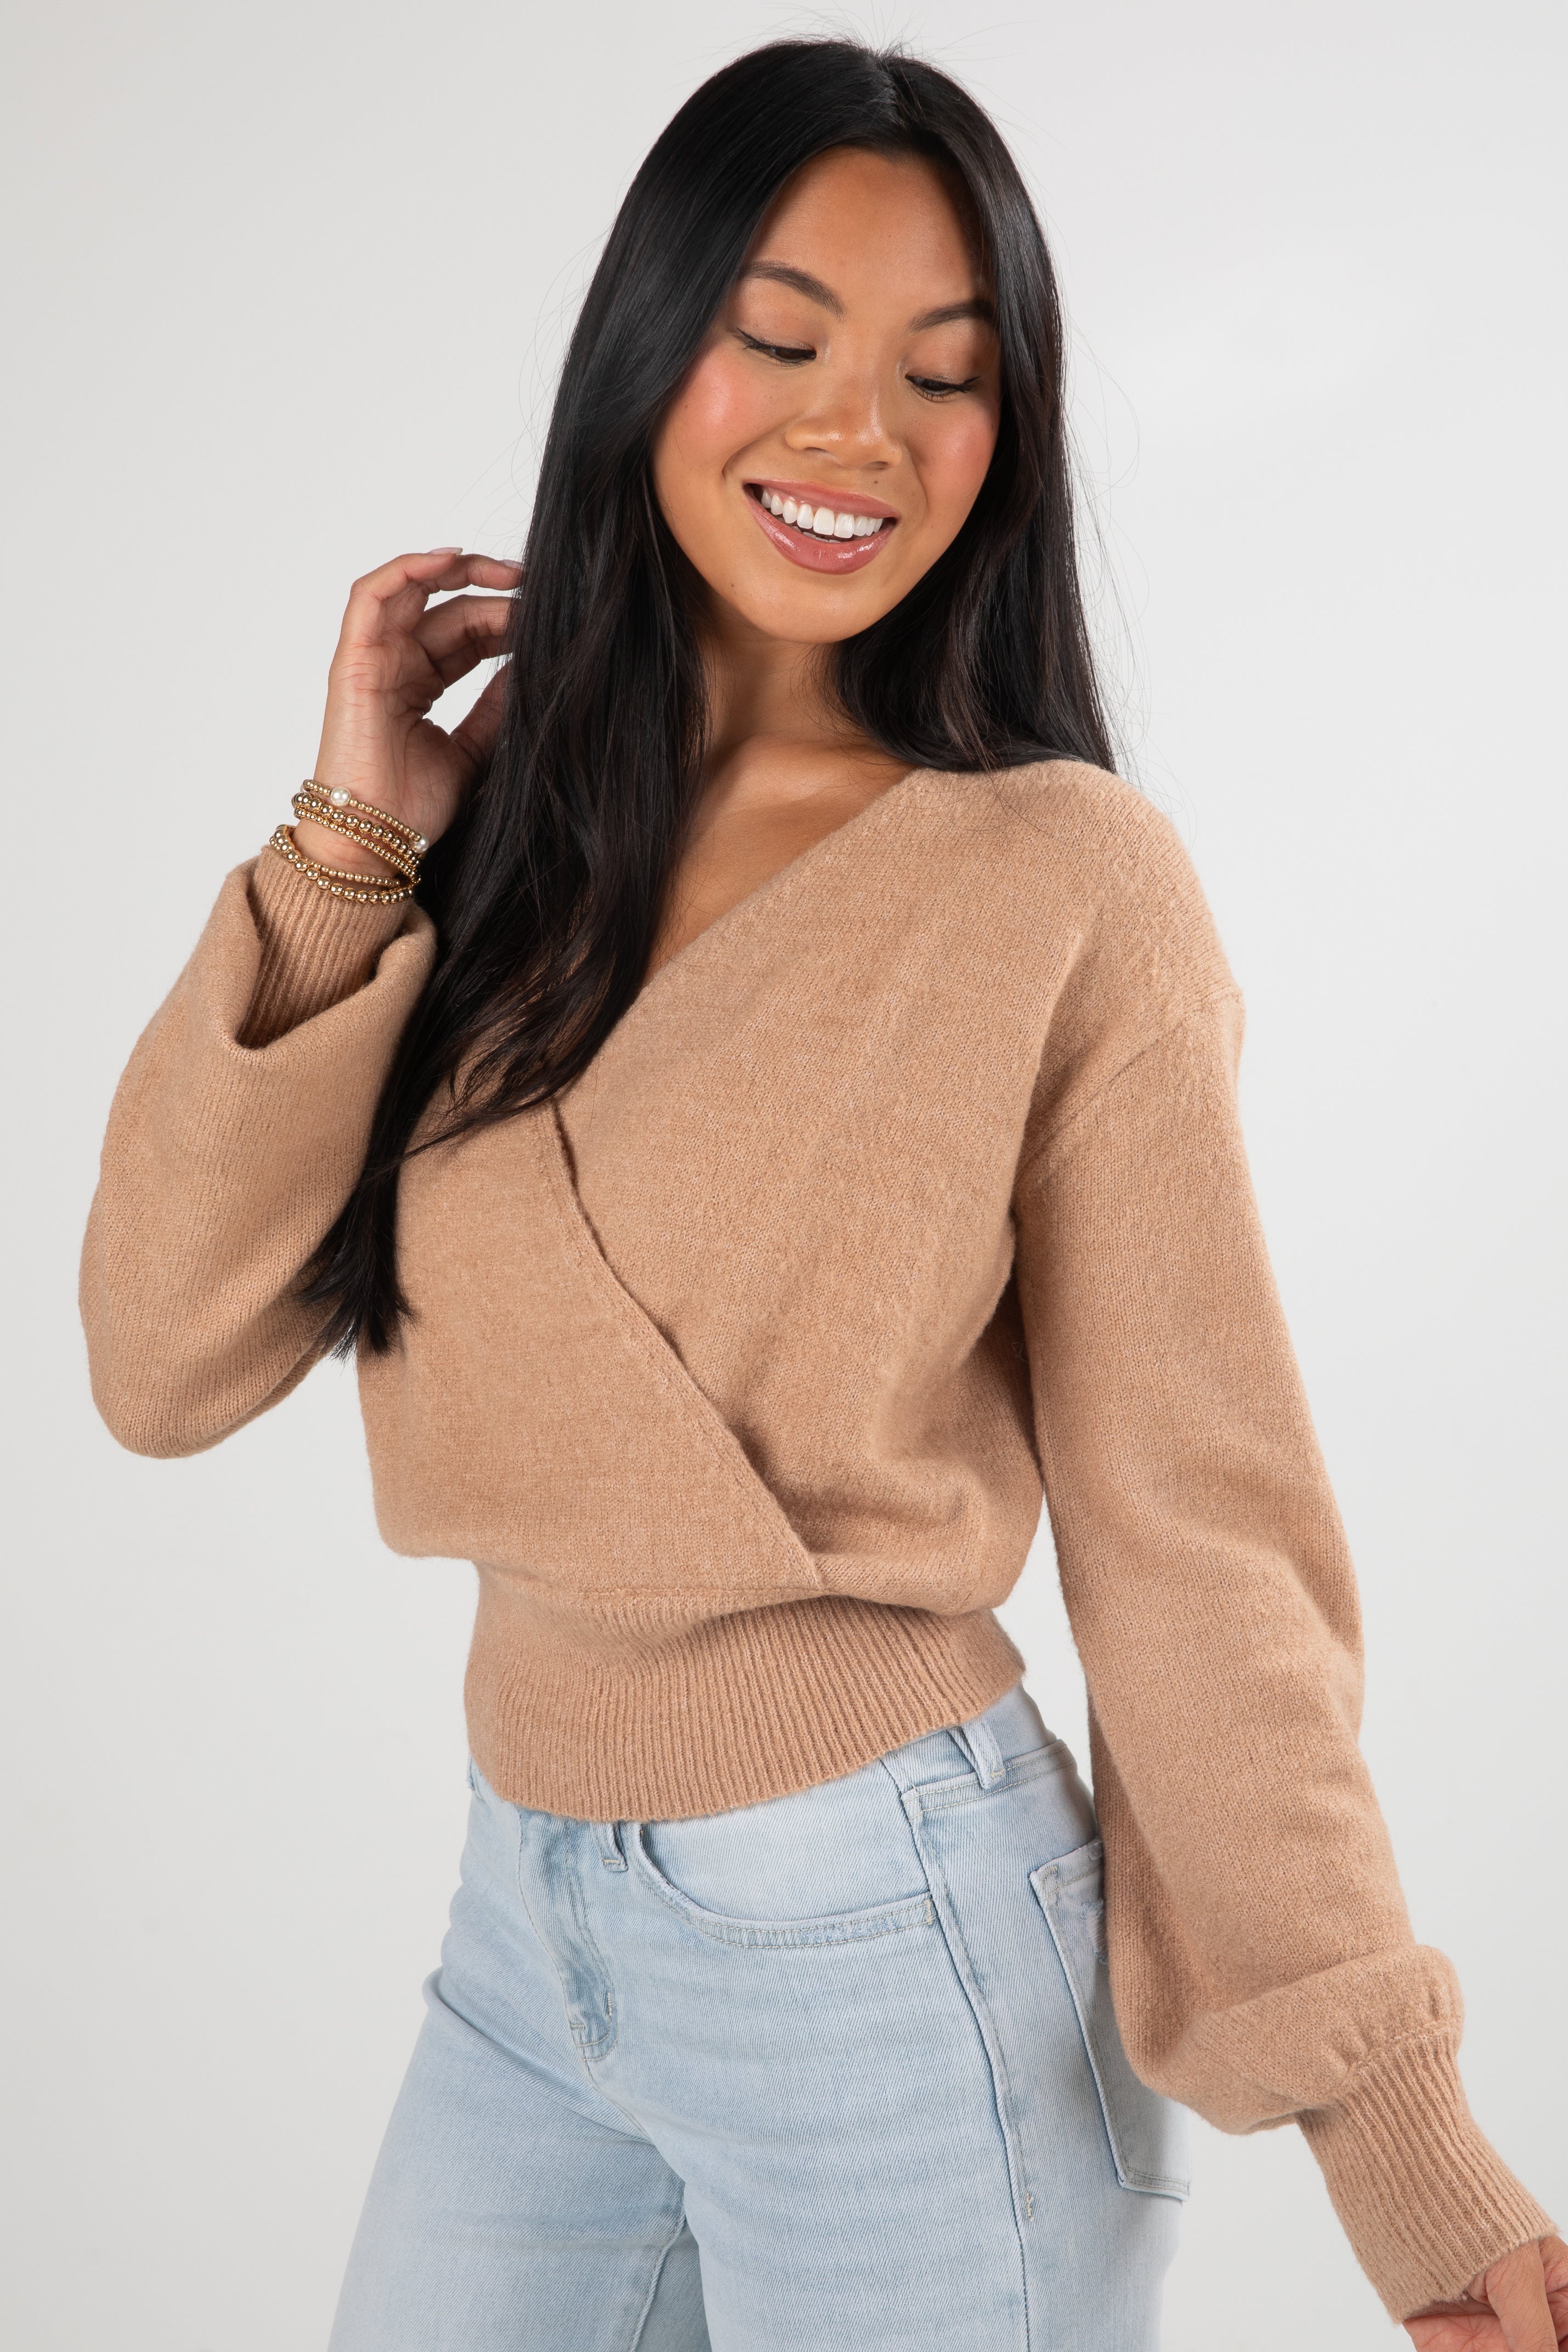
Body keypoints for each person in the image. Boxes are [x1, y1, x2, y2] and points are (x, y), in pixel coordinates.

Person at [80, 37, 1561, 2352]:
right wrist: (349, 848)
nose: (852, 431)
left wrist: (1398, 2139)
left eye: (942, 377)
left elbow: (1196, 1524)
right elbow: (163, 1360)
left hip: (891, 1946)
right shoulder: (499, 847)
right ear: (647, 347)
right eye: (778, 339)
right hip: (520, 1936)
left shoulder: (1059, 878)